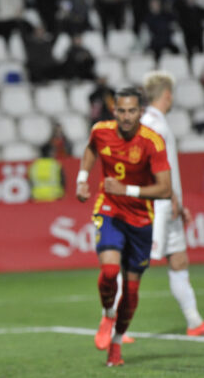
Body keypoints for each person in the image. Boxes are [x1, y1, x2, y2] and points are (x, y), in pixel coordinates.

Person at [76, 87, 172, 366]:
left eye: (132, 111)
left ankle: (116, 345)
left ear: (140, 112)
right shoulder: (101, 131)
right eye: (121, 111)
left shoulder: (152, 142)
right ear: (114, 110)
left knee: (130, 292)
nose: (126, 116)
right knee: (109, 270)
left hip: (141, 219)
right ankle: (107, 314)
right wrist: (83, 178)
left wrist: (127, 189)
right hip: (110, 210)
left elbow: (165, 189)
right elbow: (91, 149)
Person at [141, 70, 204, 336]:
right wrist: (171, 197)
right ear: (167, 95)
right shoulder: (155, 126)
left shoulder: (149, 123)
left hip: (166, 201)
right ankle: (110, 325)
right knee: (133, 262)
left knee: (177, 259)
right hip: (159, 202)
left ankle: (194, 322)